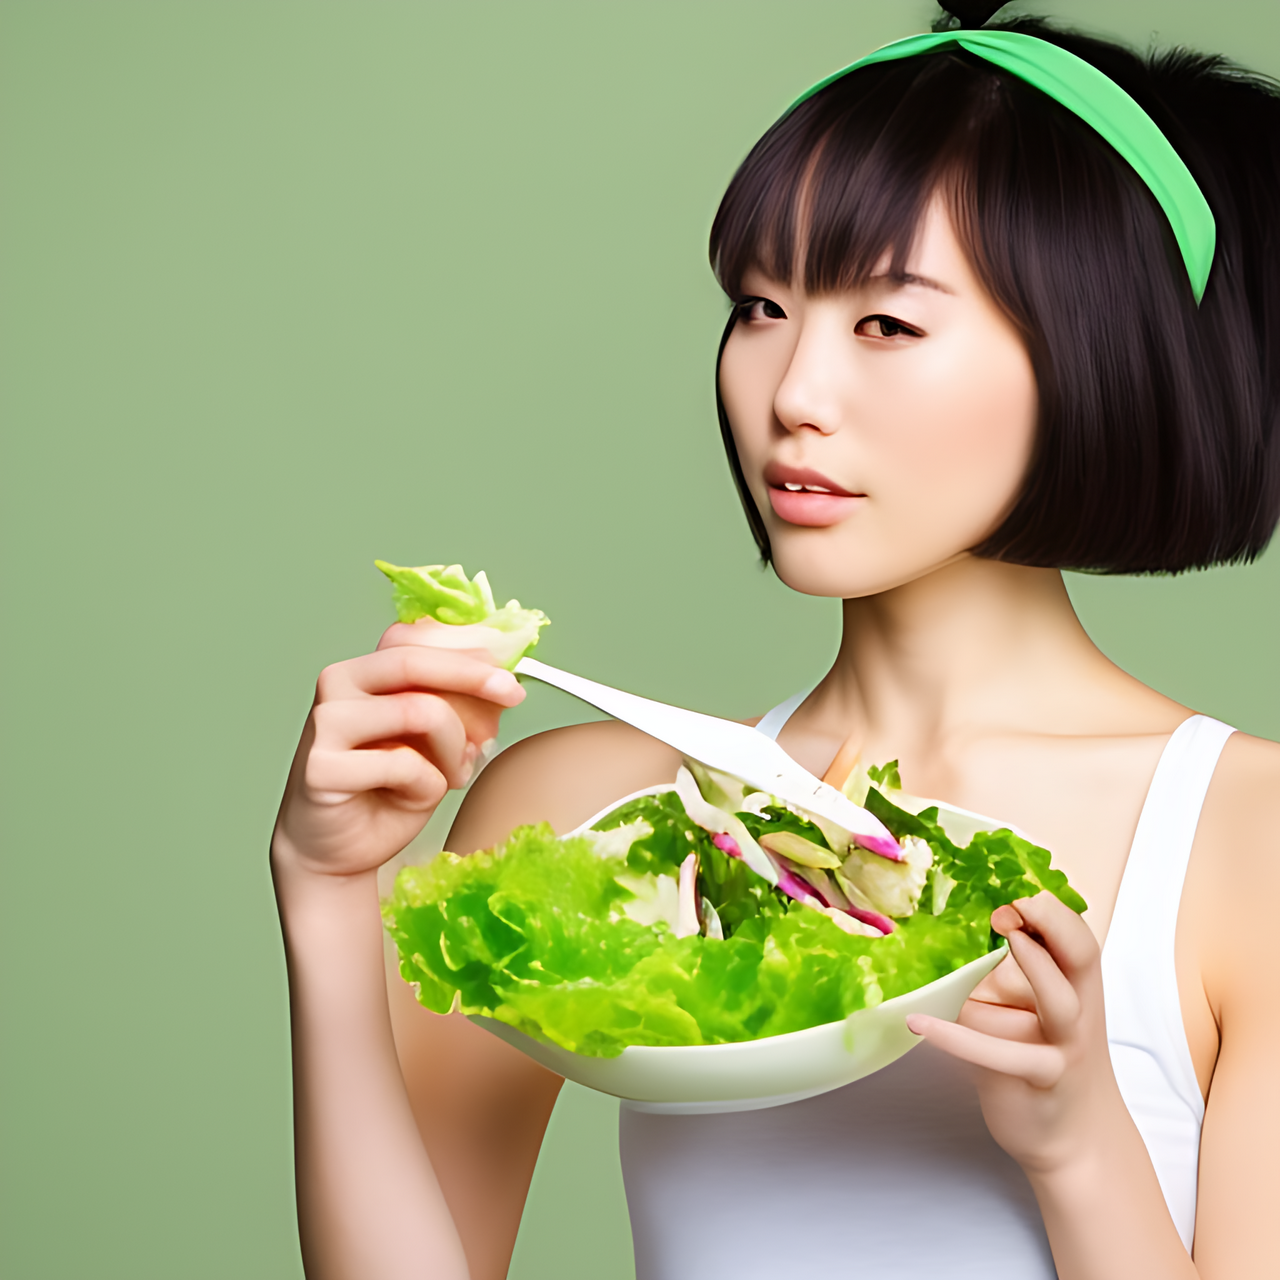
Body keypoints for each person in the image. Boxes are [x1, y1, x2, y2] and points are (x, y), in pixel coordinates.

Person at [270, 10, 1280, 1279]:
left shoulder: (1250, 841)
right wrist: (327, 896)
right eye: (760, 304)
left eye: (887, 325)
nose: (790, 392)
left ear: (1093, 360)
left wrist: (1080, 1149)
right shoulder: (594, 813)